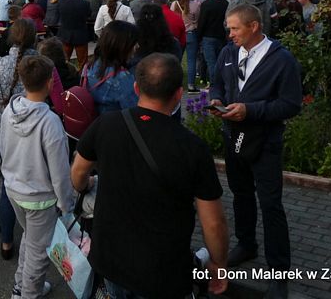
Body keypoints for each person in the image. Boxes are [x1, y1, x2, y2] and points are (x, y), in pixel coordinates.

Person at [71, 53, 229, 298]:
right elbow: (213, 223)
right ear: (178, 95)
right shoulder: (192, 148)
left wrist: (88, 183)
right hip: (162, 270)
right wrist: (218, 263)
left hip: (110, 260)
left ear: (136, 88)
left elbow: (78, 174)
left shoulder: (106, 125)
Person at [209, 4, 302, 299]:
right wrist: (216, 100)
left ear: (254, 27)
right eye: (229, 28)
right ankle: (246, 244)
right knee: (241, 194)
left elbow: (291, 104)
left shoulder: (282, 60)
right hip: (233, 137)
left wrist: (251, 110)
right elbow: (217, 84)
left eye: (235, 28)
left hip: (265, 142)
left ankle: (279, 273)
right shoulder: (228, 53)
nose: (230, 33)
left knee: (271, 204)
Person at [0, 18, 64, 262]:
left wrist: (0, 111)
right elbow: (59, 102)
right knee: (40, 185)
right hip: (41, 132)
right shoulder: (45, 65)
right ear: (35, 38)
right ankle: (37, 237)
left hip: (5, 131)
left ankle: (7, 241)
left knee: (10, 184)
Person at [0, 55, 75, 299]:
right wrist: (66, 204)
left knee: (30, 240)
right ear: (50, 83)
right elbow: (59, 171)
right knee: (38, 252)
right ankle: (29, 293)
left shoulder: (8, 112)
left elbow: (4, 149)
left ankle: (21, 286)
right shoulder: (50, 122)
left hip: (14, 190)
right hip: (40, 198)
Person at [86, 20, 139, 114]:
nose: (137, 46)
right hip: (115, 121)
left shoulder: (91, 64)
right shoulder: (122, 79)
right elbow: (136, 113)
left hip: (95, 119)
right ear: (123, 46)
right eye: (134, 43)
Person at [197, 0, 229, 87]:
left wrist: (199, 36)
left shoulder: (206, 4)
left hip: (208, 36)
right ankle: (221, 82)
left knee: (211, 62)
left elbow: (202, 22)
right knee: (220, 61)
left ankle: (214, 84)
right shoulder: (225, 3)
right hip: (221, 35)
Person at [171, 0, 201, 92]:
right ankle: (191, 85)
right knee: (191, 60)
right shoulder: (196, 5)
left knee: (176, 60)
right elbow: (197, 19)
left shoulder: (174, 4)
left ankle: (174, 83)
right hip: (191, 34)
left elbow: (172, 18)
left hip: (179, 35)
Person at [57, 0, 91, 65]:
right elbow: (88, 15)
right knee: (83, 62)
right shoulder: (85, 4)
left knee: (64, 61)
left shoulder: (61, 3)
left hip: (65, 34)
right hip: (80, 35)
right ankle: (81, 74)